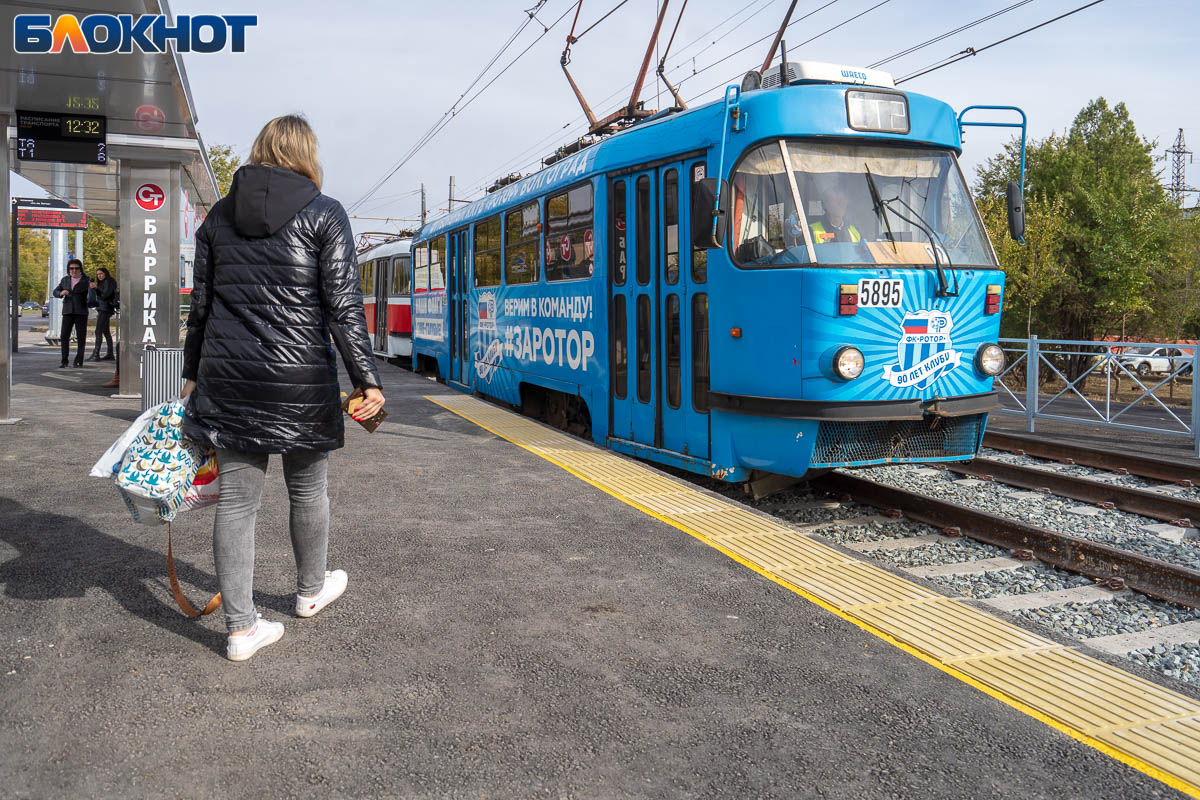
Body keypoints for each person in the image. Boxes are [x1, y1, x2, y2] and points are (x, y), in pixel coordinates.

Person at [180, 114, 384, 662]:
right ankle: (311, 592)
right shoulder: (325, 213)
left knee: (237, 504)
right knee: (308, 489)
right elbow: (343, 309)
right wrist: (367, 380)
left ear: (260, 149)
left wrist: (192, 376)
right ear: (307, 153)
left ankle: (242, 629)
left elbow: (200, 308)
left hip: (230, 381)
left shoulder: (218, 218)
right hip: (300, 382)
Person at [53, 258, 90, 368]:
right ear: (68, 269)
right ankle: (64, 361)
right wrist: (60, 293)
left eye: (76, 268)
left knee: (81, 337)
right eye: (71, 268)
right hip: (68, 311)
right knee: (64, 336)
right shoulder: (65, 280)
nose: (74, 270)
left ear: (80, 269)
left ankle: (79, 360)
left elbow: (93, 294)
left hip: (81, 311)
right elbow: (55, 291)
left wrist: (93, 289)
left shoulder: (86, 280)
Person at [809, 179, 862, 244]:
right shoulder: (811, 231)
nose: (841, 204)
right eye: (837, 201)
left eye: (843, 201)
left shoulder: (855, 231)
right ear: (825, 205)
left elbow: (862, 253)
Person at [88, 267, 116, 361]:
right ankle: (110, 353)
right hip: (103, 308)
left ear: (105, 273)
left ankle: (96, 354)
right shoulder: (105, 282)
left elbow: (105, 295)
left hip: (105, 309)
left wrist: (96, 289)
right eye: (98, 274)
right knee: (106, 332)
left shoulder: (109, 281)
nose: (99, 276)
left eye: (101, 274)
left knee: (98, 331)